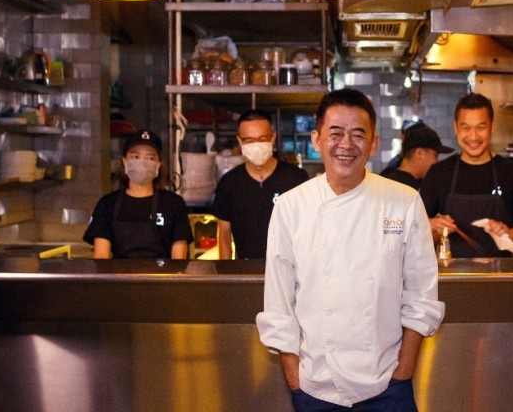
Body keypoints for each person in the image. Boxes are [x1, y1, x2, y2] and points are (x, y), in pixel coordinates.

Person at [257, 89, 445, 412]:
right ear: (316, 139)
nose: (346, 144)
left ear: (374, 143)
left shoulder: (404, 202)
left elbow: (421, 295)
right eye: (335, 133)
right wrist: (295, 380)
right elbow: (279, 304)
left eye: (358, 134)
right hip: (315, 387)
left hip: (388, 386)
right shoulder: (291, 207)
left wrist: (403, 371)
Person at [419, 93, 513, 258]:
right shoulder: (439, 173)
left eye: (480, 127)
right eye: (465, 128)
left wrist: (510, 233)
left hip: (500, 271)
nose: (473, 137)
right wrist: (432, 225)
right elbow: (415, 224)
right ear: (455, 128)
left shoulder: (512, 171)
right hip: (452, 271)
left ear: (492, 127)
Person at [211, 109, 309, 259]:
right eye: (249, 140)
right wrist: (226, 270)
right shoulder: (229, 183)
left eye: (262, 139)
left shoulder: (296, 178)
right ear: (239, 141)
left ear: (273, 137)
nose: (256, 145)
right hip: (245, 268)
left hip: (290, 267)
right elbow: (224, 235)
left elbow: (308, 230)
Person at [83, 129, 192, 259]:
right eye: (135, 157)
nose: (142, 162)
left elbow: (179, 260)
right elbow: (101, 257)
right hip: (119, 272)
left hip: (162, 272)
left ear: (158, 164)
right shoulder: (107, 204)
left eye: (150, 158)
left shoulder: (174, 204)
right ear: (125, 162)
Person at [386, 123, 454, 190]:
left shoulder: (390, 182)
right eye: (435, 156)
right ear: (419, 153)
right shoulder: (406, 189)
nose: (437, 161)